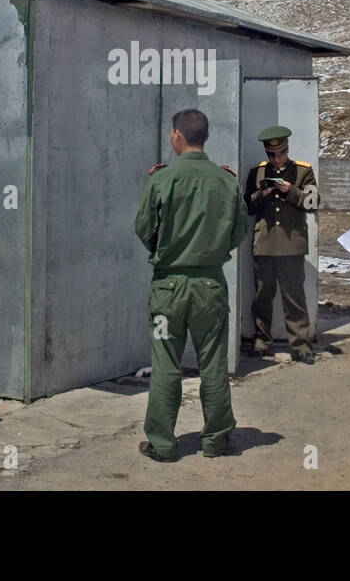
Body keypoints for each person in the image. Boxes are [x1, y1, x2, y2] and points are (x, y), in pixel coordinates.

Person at [134, 109, 247, 461]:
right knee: (213, 362)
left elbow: (143, 227)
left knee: (166, 361)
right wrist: (210, 250)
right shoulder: (226, 180)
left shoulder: (161, 179)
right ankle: (216, 440)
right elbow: (239, 231)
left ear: (178, 135)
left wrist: (167, 250)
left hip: (169, 286)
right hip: (210, 285)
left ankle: (163, 443)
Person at [243, 125, 317, 363]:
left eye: (281, 153)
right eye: (271, 155)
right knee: (263, 295)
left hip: (291, 244)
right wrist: (262, 194)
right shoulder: (257, 173)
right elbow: (247, 207)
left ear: (287, 149)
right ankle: (262, 340)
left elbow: (313, 202)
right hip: (264, 244)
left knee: (294, 296)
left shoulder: (303, 171)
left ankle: (301, 345)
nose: (276, 159)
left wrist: (290, 191)